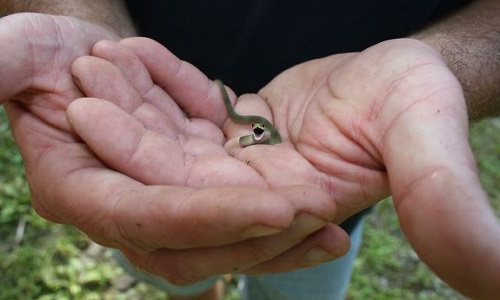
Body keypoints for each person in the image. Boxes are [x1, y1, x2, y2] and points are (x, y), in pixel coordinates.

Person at [0, 0, 499, 299]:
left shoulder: (275, 138)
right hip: (146, 160)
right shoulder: (237, 120)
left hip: (328, 195)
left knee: (299, 277)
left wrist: (445, 64)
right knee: (176, 268)